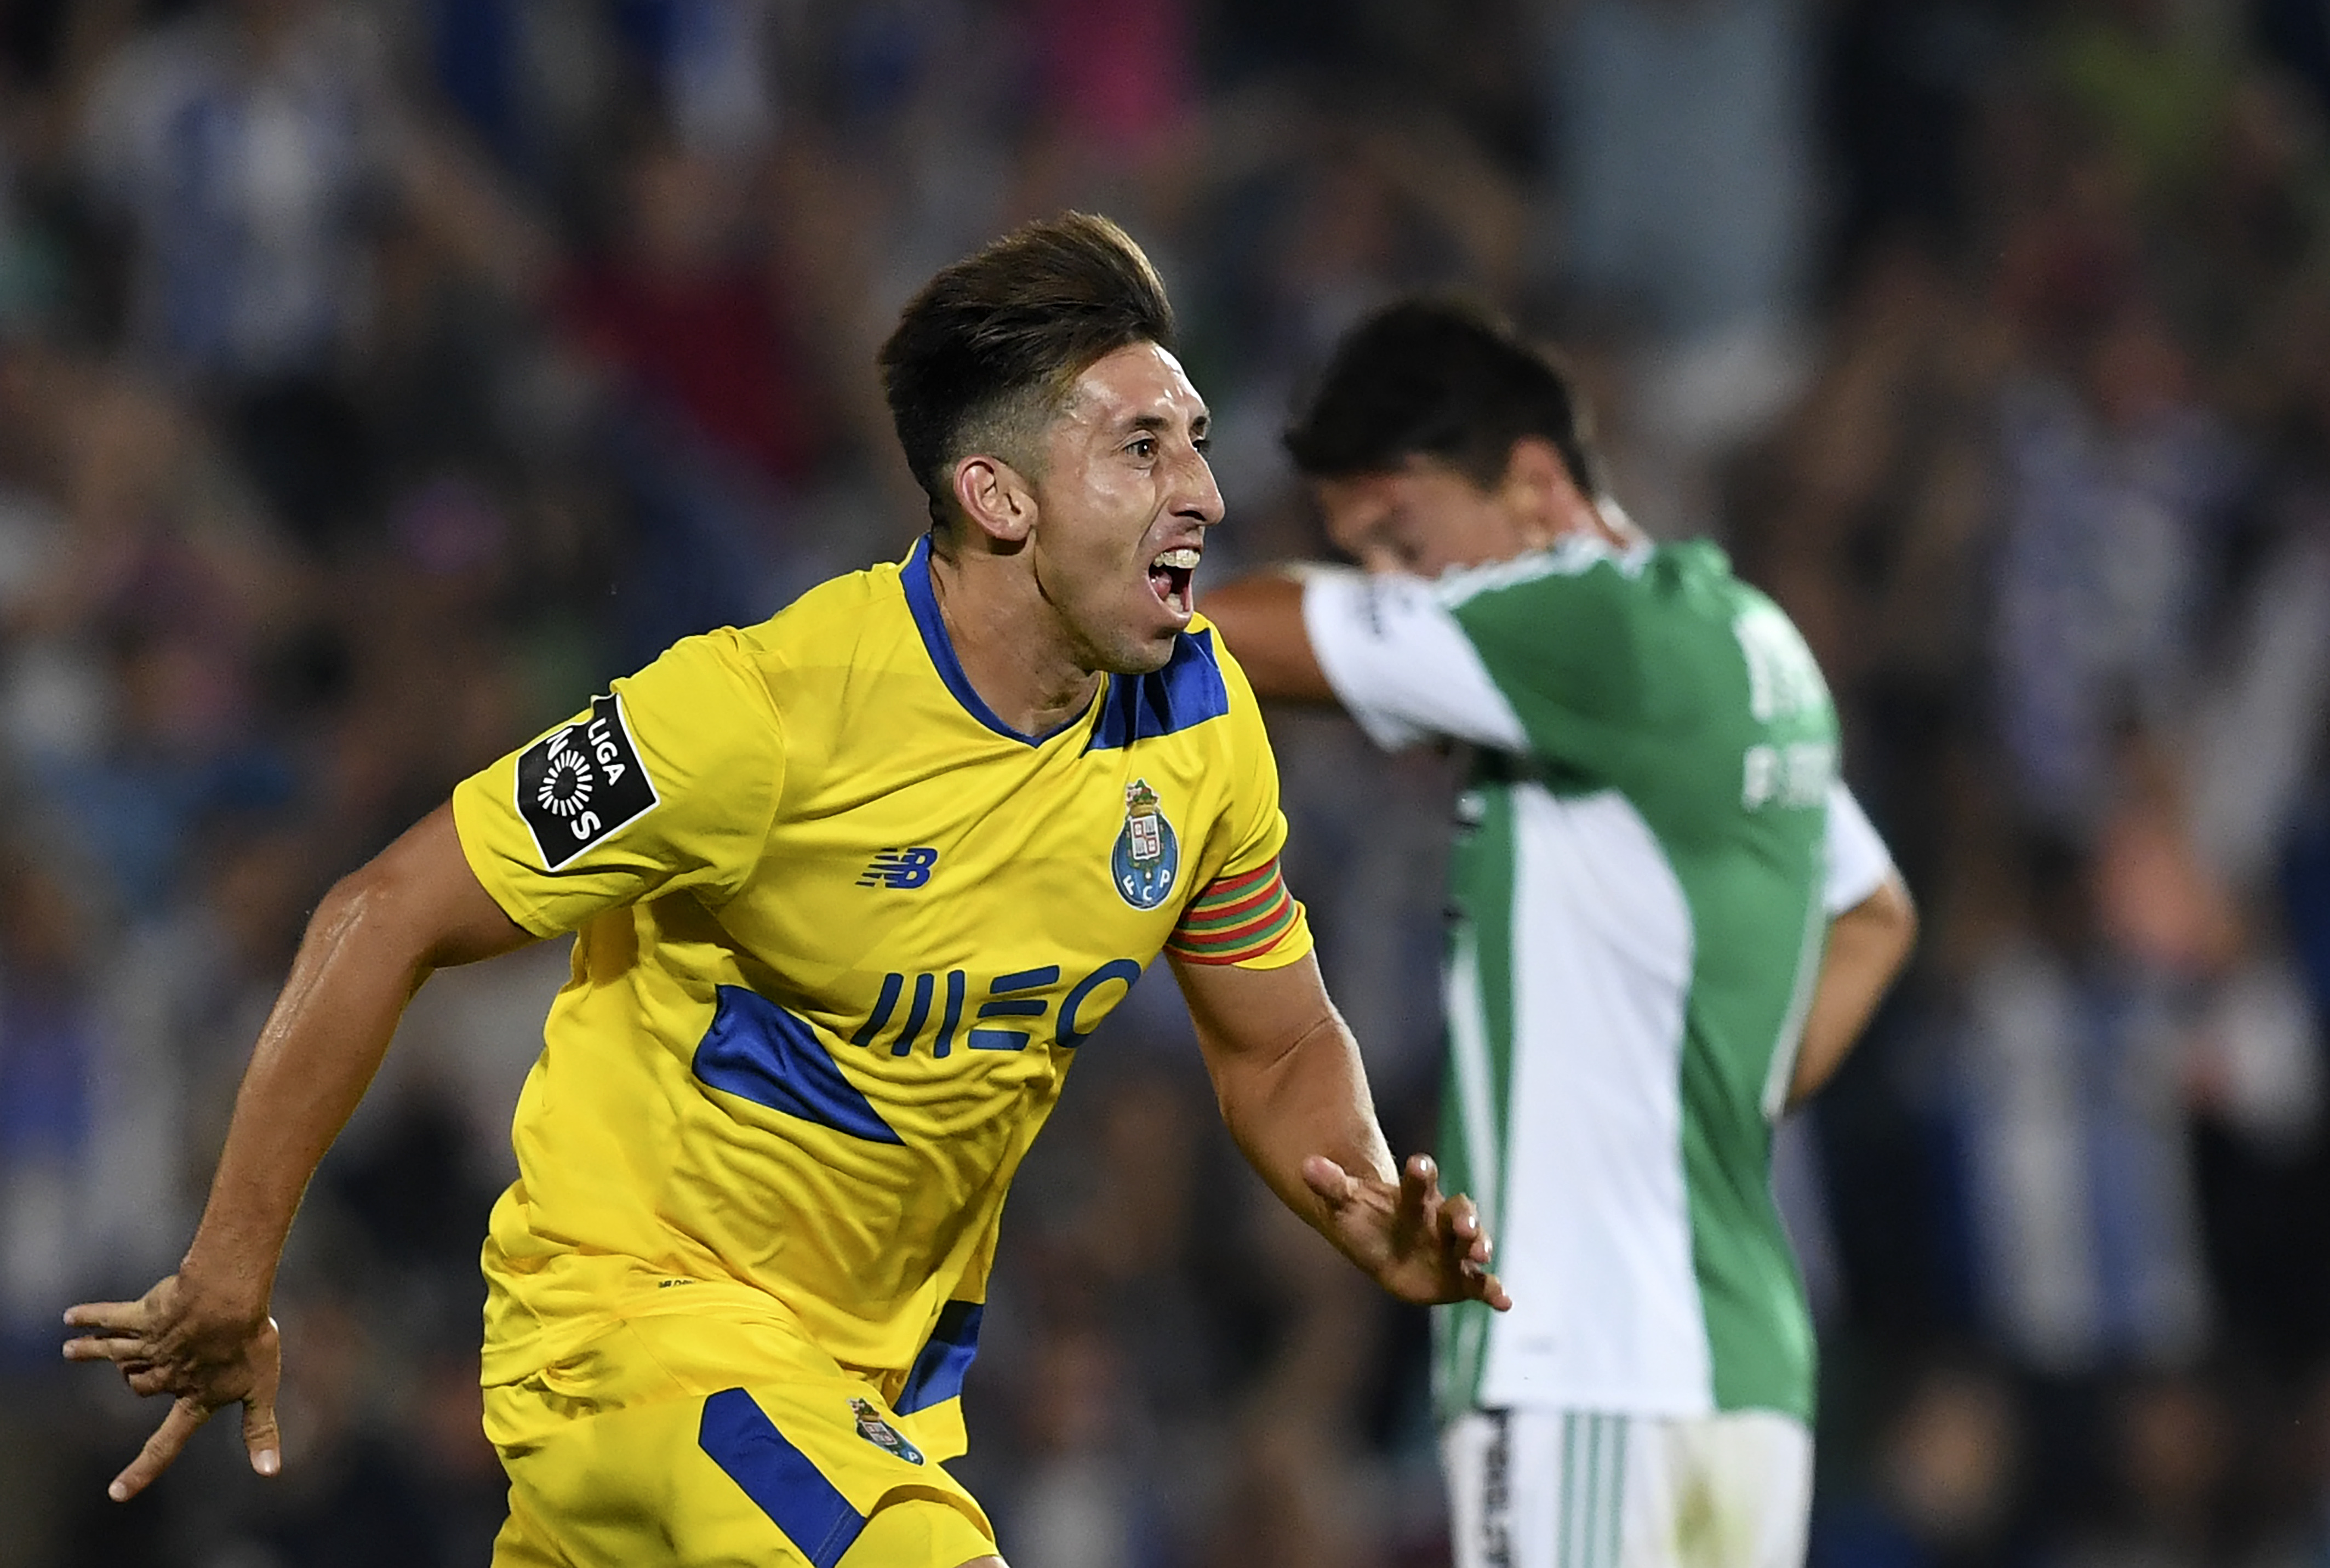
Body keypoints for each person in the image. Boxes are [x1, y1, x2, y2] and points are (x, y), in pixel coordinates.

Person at [62, 216, 1510, 1568]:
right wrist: (232, 1268)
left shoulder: (1195, 730)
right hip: (638, 1347)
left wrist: (1368, 1200)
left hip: (864, 1396)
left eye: (1193, 441)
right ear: (992, 494)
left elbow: (1278, 1040)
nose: (1200, 487)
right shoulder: (749, 719)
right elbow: (383, 910)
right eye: (1139, 448)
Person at [1201, 299, 1916, 1568]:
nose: (1392, 588)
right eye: (1361, 555)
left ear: (1534, 485)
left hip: (1585, 1362)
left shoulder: (1587, 625)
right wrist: (1714, 1099)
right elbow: (1868, 914)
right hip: (1736, 1365)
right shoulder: (1747, 644)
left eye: (1403, 538)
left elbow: (1237, 632)